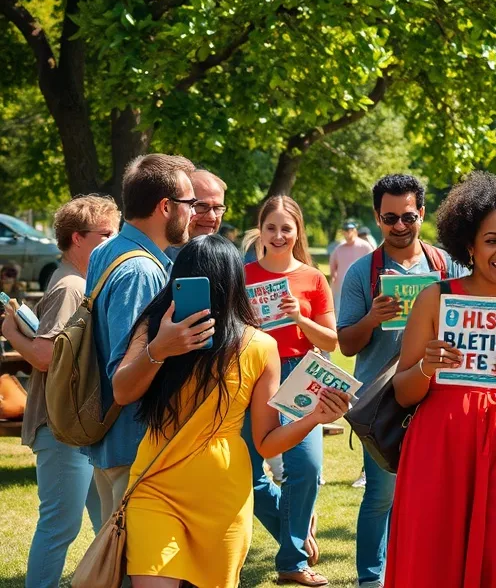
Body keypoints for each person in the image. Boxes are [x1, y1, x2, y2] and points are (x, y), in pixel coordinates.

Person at [110, 236, 351, 588]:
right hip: (156, 488)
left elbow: (267, 444)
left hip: (223, 499)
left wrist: (314, 417)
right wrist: (160, 348)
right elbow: (121, 391)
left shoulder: (259, 346)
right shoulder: (155, 328)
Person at [383, 172, 496, 587]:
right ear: (470, 245)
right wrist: (427, 366)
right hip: (438, 446)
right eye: (492, 239)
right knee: (432, 560)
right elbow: (404, 394)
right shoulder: (436, 298)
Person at [336, 173, 463, 588]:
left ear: (422, 213)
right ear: (377, 218)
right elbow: (347, 343)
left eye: (408, 216)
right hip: (382, 403)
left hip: (438, 393)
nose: (400, 226)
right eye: (389, 218)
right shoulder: (362, 272)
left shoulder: (447, 265)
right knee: (380, 496)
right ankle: (371, 580)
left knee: (437, 497)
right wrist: (372, 318)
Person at [0, 196, 118, 587]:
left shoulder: (79, 280)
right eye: (105, 234)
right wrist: (12, 332)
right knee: (60, 527)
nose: (113, 241)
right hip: (62, 424)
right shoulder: (70, 286)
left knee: (107, 521)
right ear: (76, 238)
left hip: (76, 424)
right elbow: (48, 356)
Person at [82, 153, 195, 522]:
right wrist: (166, 347)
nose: (194, 212)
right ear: (166, 206)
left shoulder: (107, 251)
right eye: (190, 203)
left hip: (112, 440)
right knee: (132, 572)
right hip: (135, 446)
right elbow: (125, 380)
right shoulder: (141, 271)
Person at [241, 195, 337, 587]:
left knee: (308, 468)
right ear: (260, 231)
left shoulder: (314, 279)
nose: (278, 235)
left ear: (298, 232)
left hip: (299, 373)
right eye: (271, 227)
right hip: (249, 374)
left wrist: (299, 317)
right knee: (247, 471)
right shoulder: (241, 275)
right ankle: (292, 532)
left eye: (286, 228)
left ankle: (292, 562)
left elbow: (331, 341)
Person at [165, 168, 227, 261]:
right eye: (201, 206)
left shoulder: (225, 260)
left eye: (217, 208)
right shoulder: (153, 260)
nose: (212, 217)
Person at [329, 219, 373, 301]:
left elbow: (372, 266)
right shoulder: (338, 249)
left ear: (355, 231)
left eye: (350, 230)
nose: (348, 233)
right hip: (341, 290)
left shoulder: (365, 247)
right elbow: (332, 271)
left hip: (361, 289)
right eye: (345, 230)